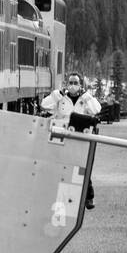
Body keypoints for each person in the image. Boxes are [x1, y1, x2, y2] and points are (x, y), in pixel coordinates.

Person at [41, 72, 103, 209]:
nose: (73, 86)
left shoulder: (85, 99)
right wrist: (58, 94)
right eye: (71, 82)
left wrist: (86, 96)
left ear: (80, 85)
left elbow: (96, 109)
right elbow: (44, 105)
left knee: (82, 167)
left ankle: (89, 197)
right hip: (62, 137)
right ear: (66, 84)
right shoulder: (61, 98)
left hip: (80, 138)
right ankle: (58, 197)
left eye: (76, 83)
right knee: (60, 167)